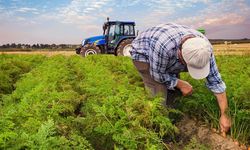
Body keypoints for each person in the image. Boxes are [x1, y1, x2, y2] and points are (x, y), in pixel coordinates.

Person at [130, 23, 231, 134]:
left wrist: (225, 114)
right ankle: (158, 130)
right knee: (158, 94)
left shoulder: (204, 49)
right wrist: (180, 83)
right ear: (180, 54)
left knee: (174, 92)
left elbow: (216, 82)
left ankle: (173, 118)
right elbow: (157, 75)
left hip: (166, 55)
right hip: (144, 54)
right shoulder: (164, 46)